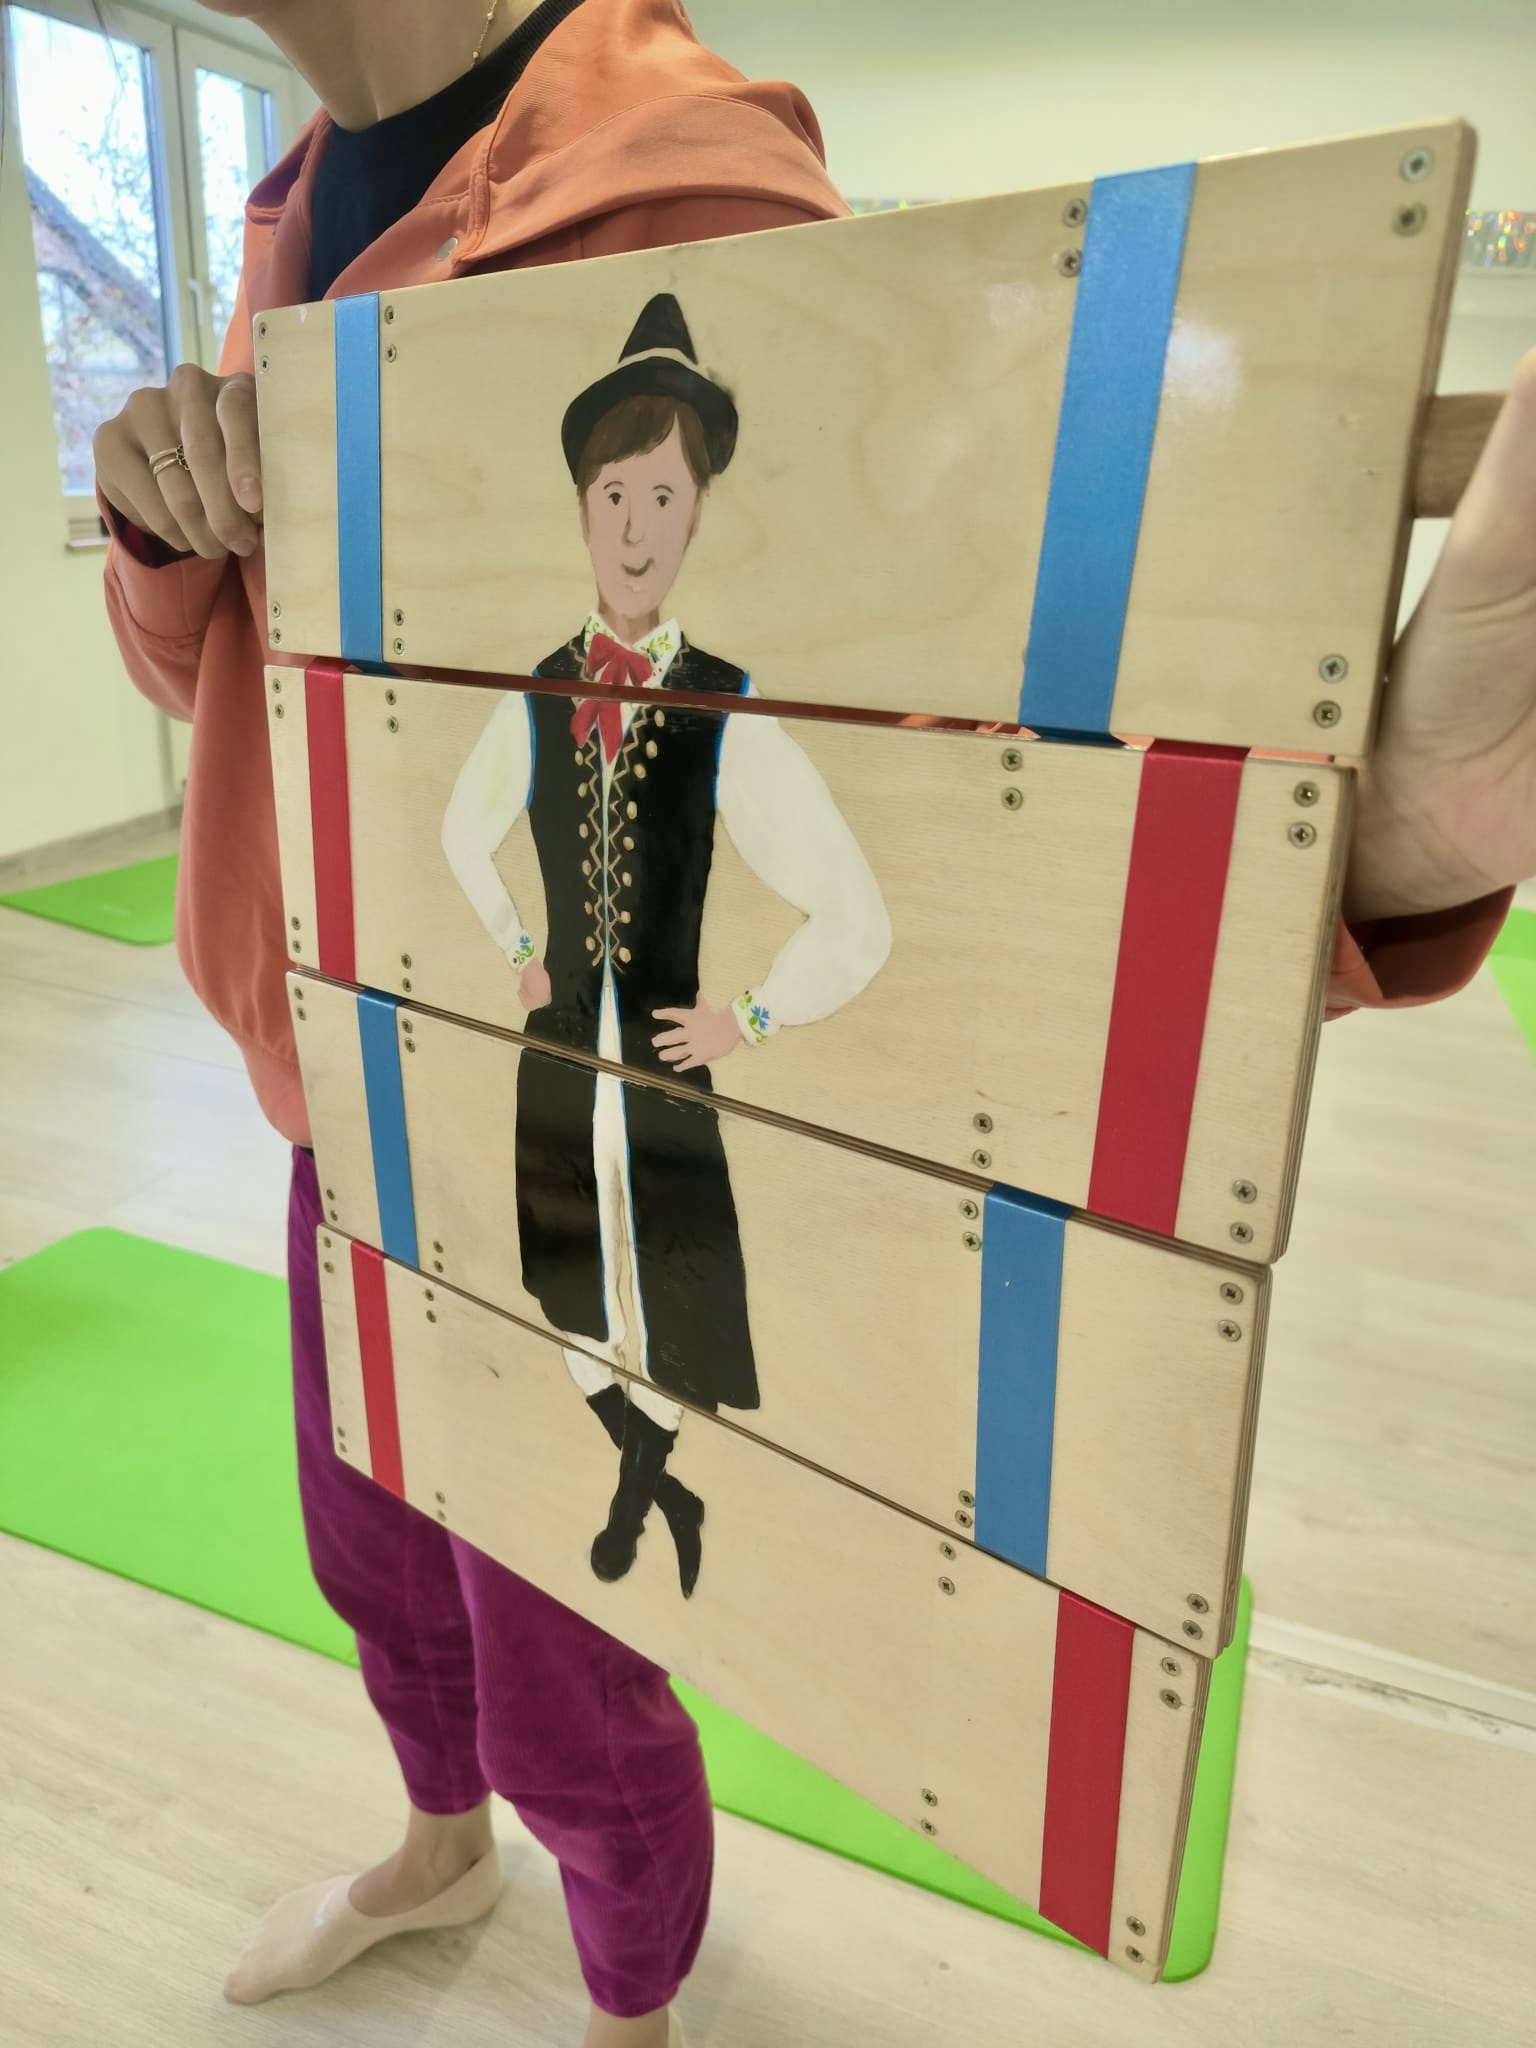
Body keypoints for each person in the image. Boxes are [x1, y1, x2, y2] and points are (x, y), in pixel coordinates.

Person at [90, 0, 1536, 2037]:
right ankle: (438, 1847)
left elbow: (940, 772)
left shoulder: (682, 182)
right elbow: (234, 690)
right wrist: (160, 540)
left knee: (573, 1650)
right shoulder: (291, 201)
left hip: (596, 1146)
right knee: (378, 1550)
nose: (633, 525)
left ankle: (631, 2002)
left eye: (658, 496)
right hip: (350, 1089)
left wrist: (1350, 851)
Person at [441, 291, 891, 1602]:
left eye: (662, 497)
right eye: (613, 496)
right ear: (581, 508)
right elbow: (459, 833)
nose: (636, 529)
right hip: (555, 1058)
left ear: (696, 516)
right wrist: (517, 946)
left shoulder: (725, 712)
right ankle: (662, 1485)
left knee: (676, 1303)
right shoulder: (537, 692)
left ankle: (641, 1495)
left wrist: (749, 1020)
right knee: (565, 1291)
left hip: (660, 1073)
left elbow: (856, 915)